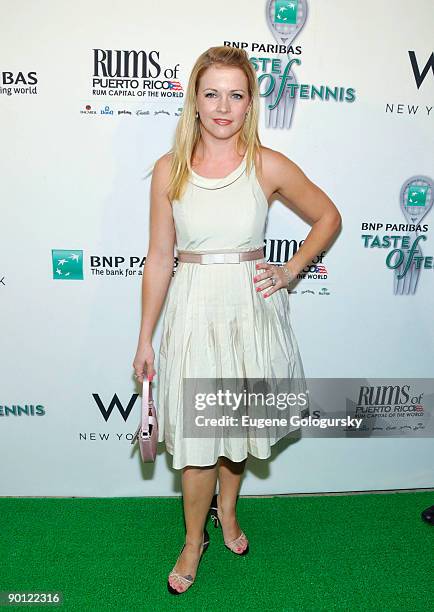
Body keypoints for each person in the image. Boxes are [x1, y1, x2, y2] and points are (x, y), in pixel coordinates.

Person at [132, 45, 341, 595]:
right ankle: (191, 538)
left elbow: (328, 216)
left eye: (236, 94)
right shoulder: (168, 169)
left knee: (238, 430)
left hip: (251, 313)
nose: (223, 106)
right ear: (194, 101)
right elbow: (159, 257)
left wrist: (292, 268)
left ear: (250, 103)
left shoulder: (267, 164)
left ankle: (228, 514)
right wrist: (144, 337)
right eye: (211, 93)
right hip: (194, 310)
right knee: (202, 440)